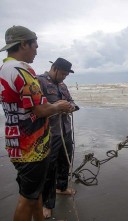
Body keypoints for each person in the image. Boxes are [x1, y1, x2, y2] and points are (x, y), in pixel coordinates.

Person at [0, 26, 72, 221]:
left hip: (17, 142)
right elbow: (39, 110)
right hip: (31, 147)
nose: (37, 51)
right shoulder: (22, 72)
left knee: (33, 193)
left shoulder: (4, 70)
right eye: (35, 46)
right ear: (23, 44)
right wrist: (58, 106)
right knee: (27, 199)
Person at [37, 58, 79, 218]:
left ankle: (61, 188)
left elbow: (73, 103)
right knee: (49, 168)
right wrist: (56, 107)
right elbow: (37, 108)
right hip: (50, 133)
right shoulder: (39, 82)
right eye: (62, 74)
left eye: (66, 75)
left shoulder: (62, 85)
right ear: (54, 68)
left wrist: (70, 107)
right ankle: (47, 204)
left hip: (65, 130)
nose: (64, 77)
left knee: (65, 160)